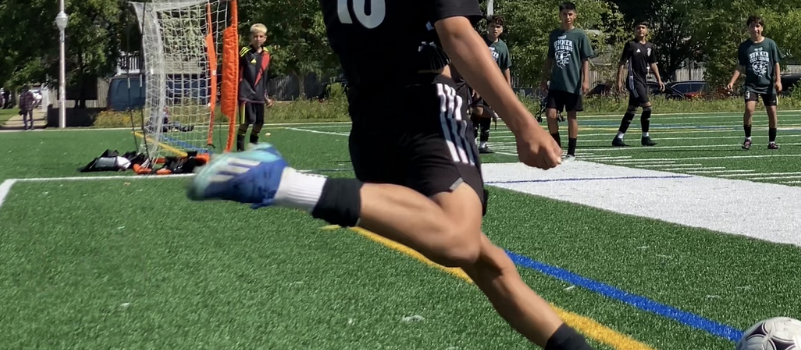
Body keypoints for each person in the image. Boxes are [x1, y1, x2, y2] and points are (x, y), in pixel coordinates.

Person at [186, 0, 595, 348]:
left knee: (487, 262)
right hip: (427, 111)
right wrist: (523, 124)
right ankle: (285, 183)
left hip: (369, 123)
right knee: (458, 238)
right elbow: (456, 34)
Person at [540, 2, 596, 159]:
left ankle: (571, 152)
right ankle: (556, 148)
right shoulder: (554, 35)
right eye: (564, 14)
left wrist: (586, 80)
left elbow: (585, 59)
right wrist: (544, 78)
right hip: (556, 83)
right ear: (560, 15)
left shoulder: (580, 35)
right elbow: (549, 58)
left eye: (570, 14)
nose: (567, 17)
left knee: (572, 116)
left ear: (575, 15)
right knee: (550, 114)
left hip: (573, 83)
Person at [724, 15, 783, 150]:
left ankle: (772, 141)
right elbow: (740, 66)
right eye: (752, 26)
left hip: (767, 85)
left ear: (762, 28)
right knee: (749, 109)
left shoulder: (770, 44)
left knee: (772, 111)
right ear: (748, 28)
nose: (755, 29)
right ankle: (748, 138)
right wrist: (732, 82)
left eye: (757, 26)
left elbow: (776, 63)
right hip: (751, 85)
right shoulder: (744, 46)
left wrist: (778, 80)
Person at [612, 22, 665, 147]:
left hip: (642, 81)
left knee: (632, 109)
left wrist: (659, 79)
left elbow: (653, 64)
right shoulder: (631, 45)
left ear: (647, 31)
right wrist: (619, 81)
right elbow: (622, 63)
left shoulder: (650, 46)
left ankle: (618, 138)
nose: (640, 30)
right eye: (638, 28)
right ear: (635, 31)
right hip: (633, 81)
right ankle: (645, 137)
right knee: (647, 107)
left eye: (643, 28)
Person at [470, 15, 513, 154]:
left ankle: (483, 143)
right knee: (477, 110)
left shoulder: (502, 46)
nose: (495, 29)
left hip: (493, 84)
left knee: (487, 113)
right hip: (478, 81)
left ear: (502, 29)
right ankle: (471, 140)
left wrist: (508, 86)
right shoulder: (480, 41)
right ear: (487, 27)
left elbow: (505, 67)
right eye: (492, 26)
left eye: (498, 27)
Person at [237, 23, 273, 151]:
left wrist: (266, 97)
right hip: (245, 94)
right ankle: (240, 149)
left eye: (261, 36)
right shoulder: (244, 52)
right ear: (251, 38)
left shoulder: (266, 54)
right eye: (255, 36)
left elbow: (263, 77)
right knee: (247, 121)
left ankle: (253, 147)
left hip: (259, 95)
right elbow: (236, 70)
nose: (258, 39)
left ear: (265, 38)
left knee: (259, 123)